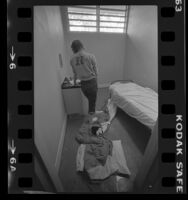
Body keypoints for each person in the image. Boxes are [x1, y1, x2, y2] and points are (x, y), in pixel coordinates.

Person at [70, 40, 98, 115]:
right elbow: (96, 71)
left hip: (83, 85)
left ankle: (91, 114)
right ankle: (92, 121)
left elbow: (75, 73)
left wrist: (75, 83)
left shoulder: (72, 59)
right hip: (91, 82)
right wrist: (96, 81)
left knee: (90, 100)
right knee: (92, 103)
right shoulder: (91, 56)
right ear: (81, 46)